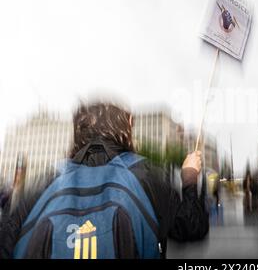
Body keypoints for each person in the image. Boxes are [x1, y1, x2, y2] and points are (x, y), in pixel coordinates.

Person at [0, 102, 209, 259]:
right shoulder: (146, 175)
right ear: (125, 131)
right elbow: (192, 227)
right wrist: (189, 178)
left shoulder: (43, 182)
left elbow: (6, 243)